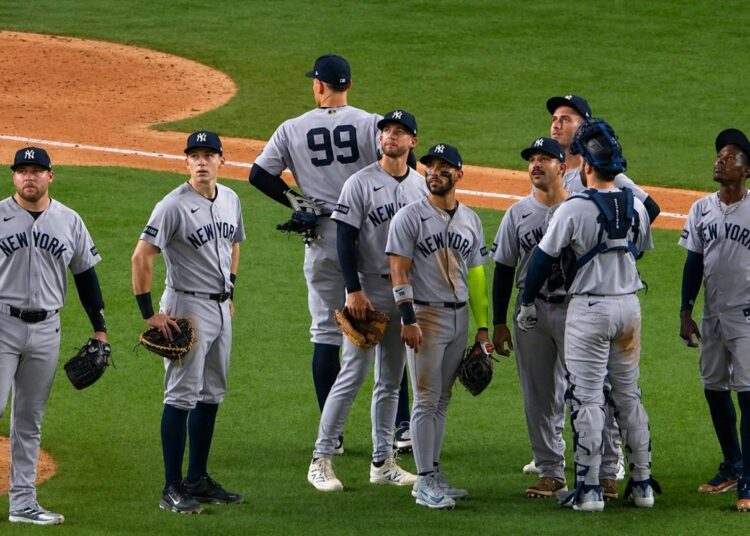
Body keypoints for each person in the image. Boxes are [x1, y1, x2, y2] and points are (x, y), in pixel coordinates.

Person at [249, 54, 412, 452]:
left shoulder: (293, 128)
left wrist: (296, 202)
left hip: (323, 236)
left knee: (325, 333)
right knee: (389, 327)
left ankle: (333, 437)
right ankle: (404, 427)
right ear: (348, 86)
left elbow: (257, 174)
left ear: (319, 86)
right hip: (375, 238)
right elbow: (403, 164)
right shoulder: (372, 122)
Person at [517, 119, 658, 512]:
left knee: (587, 397)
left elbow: (542, 261)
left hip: (589, 310)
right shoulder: (637, 208)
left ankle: (591, 489)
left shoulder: (574, 207)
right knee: (628, 397)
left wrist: (528, 303)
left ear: (588, 169)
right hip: (629, 308)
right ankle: (643, 483)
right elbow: (639, 249)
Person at [307, 110, 425, 491]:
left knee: (391, 380)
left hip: (403, 294)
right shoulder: (359, 183)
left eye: (399, 131)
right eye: (386, 131)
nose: (390, 136)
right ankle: (321, 459)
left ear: (413, 142)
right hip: (368, 292)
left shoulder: (421, 186)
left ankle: (382, 461)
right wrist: (352, 290)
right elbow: (345, 239)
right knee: (353, 375)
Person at [131, 131, 245, 514]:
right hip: (186, 309)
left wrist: (230, 290)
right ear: (185, 163)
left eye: (208, 155)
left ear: (221, 161)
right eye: (194, 156)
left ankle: (197, 478)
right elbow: (141, 257)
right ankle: (171, 486)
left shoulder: (230, 198)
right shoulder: (172, 206)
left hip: (220, 309)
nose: (201, 162)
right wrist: (149, 312)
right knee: (180, 396)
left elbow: (234, 244)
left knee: (212, 394)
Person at [0, 147, 108, 525]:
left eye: (37, 170)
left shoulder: (69, 220)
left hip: (47, 329)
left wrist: (100, 328)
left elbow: (85, 276)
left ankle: (23, 504)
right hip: (1, 325)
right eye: (23, 170)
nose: (30, 177)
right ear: (14, 176)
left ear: (51, 176)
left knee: (29, 419)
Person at [387, 143, 491, 509]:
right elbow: (397, 271)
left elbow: (476, 276)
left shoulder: (471, 220)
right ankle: (424, 482)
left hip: (460, 316)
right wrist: (408, 318)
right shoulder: (409, 218)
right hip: (425, 317)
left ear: (459, 174)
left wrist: (482, 328)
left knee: (443, 399)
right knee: (426, 399)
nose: (435, 172)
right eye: (430, 167)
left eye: (444, 168)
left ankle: (433, 469)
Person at [491, 137, 569, 499]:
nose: (536, 164)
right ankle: (551, 471)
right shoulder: (517, 214)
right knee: (537, 395)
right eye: (532, 159)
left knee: (589, 390)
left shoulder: (581, 209)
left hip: (576, 310)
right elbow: (504, 269)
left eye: (545, 159)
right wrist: (499, 322)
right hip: (531, 311)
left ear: (562, 167)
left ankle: (600, 470)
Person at [679, 128, 750, 512]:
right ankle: (732, 465)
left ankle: (749, 482)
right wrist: (686, 310)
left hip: (747, 318)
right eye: (719, 154)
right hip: (713, 316)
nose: (720, 160)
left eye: (731, 157)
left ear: (747, 170)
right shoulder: (701, 208)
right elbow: (693, 262)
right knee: (714, 389)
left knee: (749, 396)